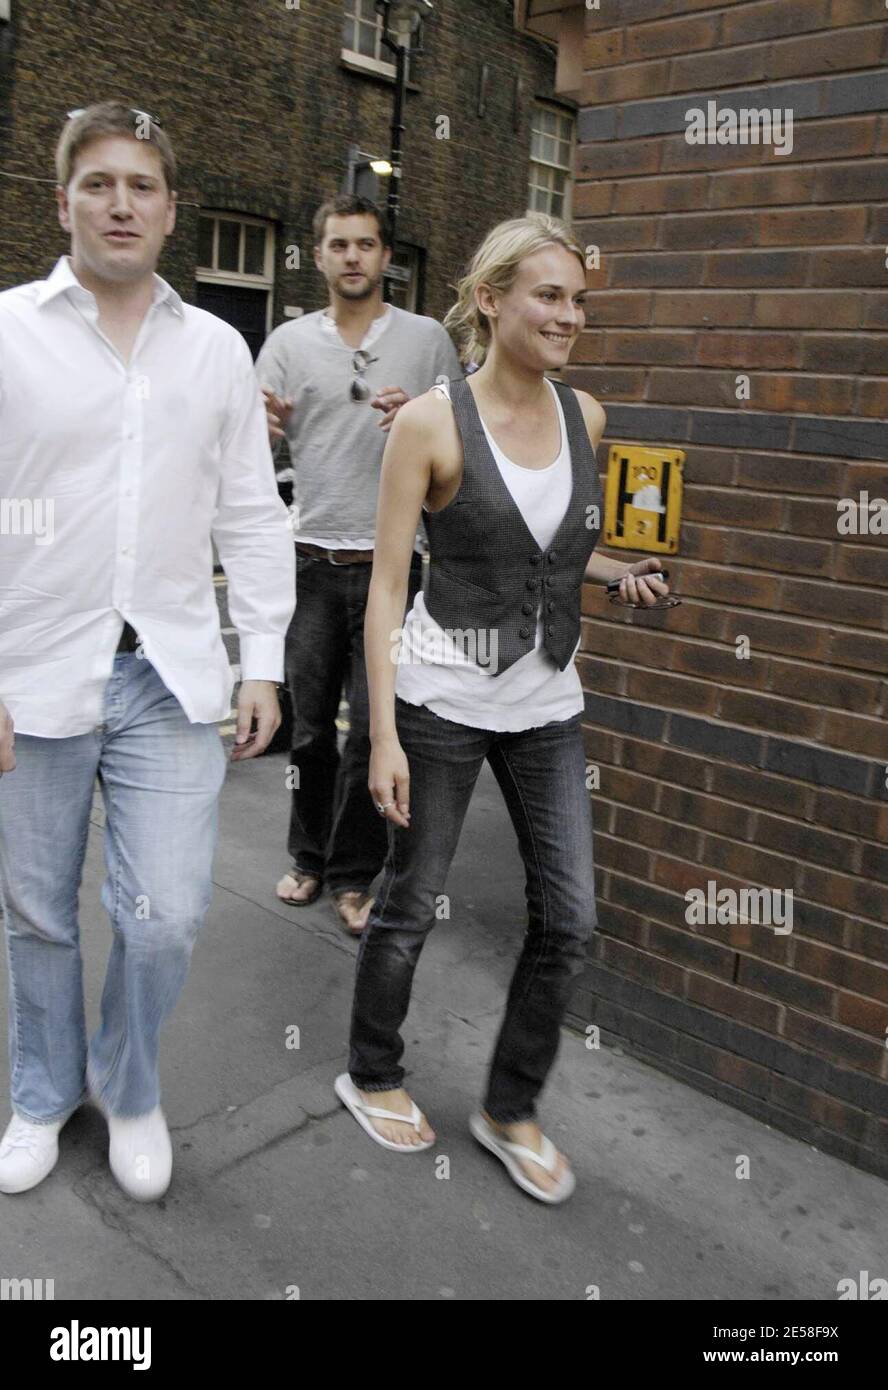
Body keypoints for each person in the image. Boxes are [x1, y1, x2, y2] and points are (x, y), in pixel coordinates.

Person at [335, 213, 669, 1203]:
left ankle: (508, 1106)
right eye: (549, 295)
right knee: (409, 905)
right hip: (440, 697)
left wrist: (615, 576)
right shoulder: (430, 424)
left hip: (548, 699)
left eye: (578, 301)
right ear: (491, 300)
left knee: (571, 919)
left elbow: (549, 551)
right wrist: (382, 733)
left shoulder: (588, 419)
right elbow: (389, 584)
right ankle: (371, 1071)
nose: (569, 316)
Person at [0, 103, 295, 1201]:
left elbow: (251, 516)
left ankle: (127, 1085)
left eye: (141, 186)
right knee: (35, 908)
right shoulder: (8, 332)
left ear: (172, 212)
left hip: (168, 674)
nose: (119, 203)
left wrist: (260, 657)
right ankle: (41, 1090)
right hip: (29, 673)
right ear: (63, 200)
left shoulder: (215, 348)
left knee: (164, 909)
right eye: (98, 183)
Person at [256, 196, 462, 934]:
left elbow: (459, 450)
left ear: (386, 258)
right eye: (338, 244)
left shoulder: (428, 339)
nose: (352, 257)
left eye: (366, 244)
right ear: (318, 256)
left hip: (394, 570)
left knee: (376, 729)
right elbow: (254, 461)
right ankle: (308, 858)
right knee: (310, 730)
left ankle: (352, 876)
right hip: (310, 563)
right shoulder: (285, 345)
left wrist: (423, 416)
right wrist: (261, 431)